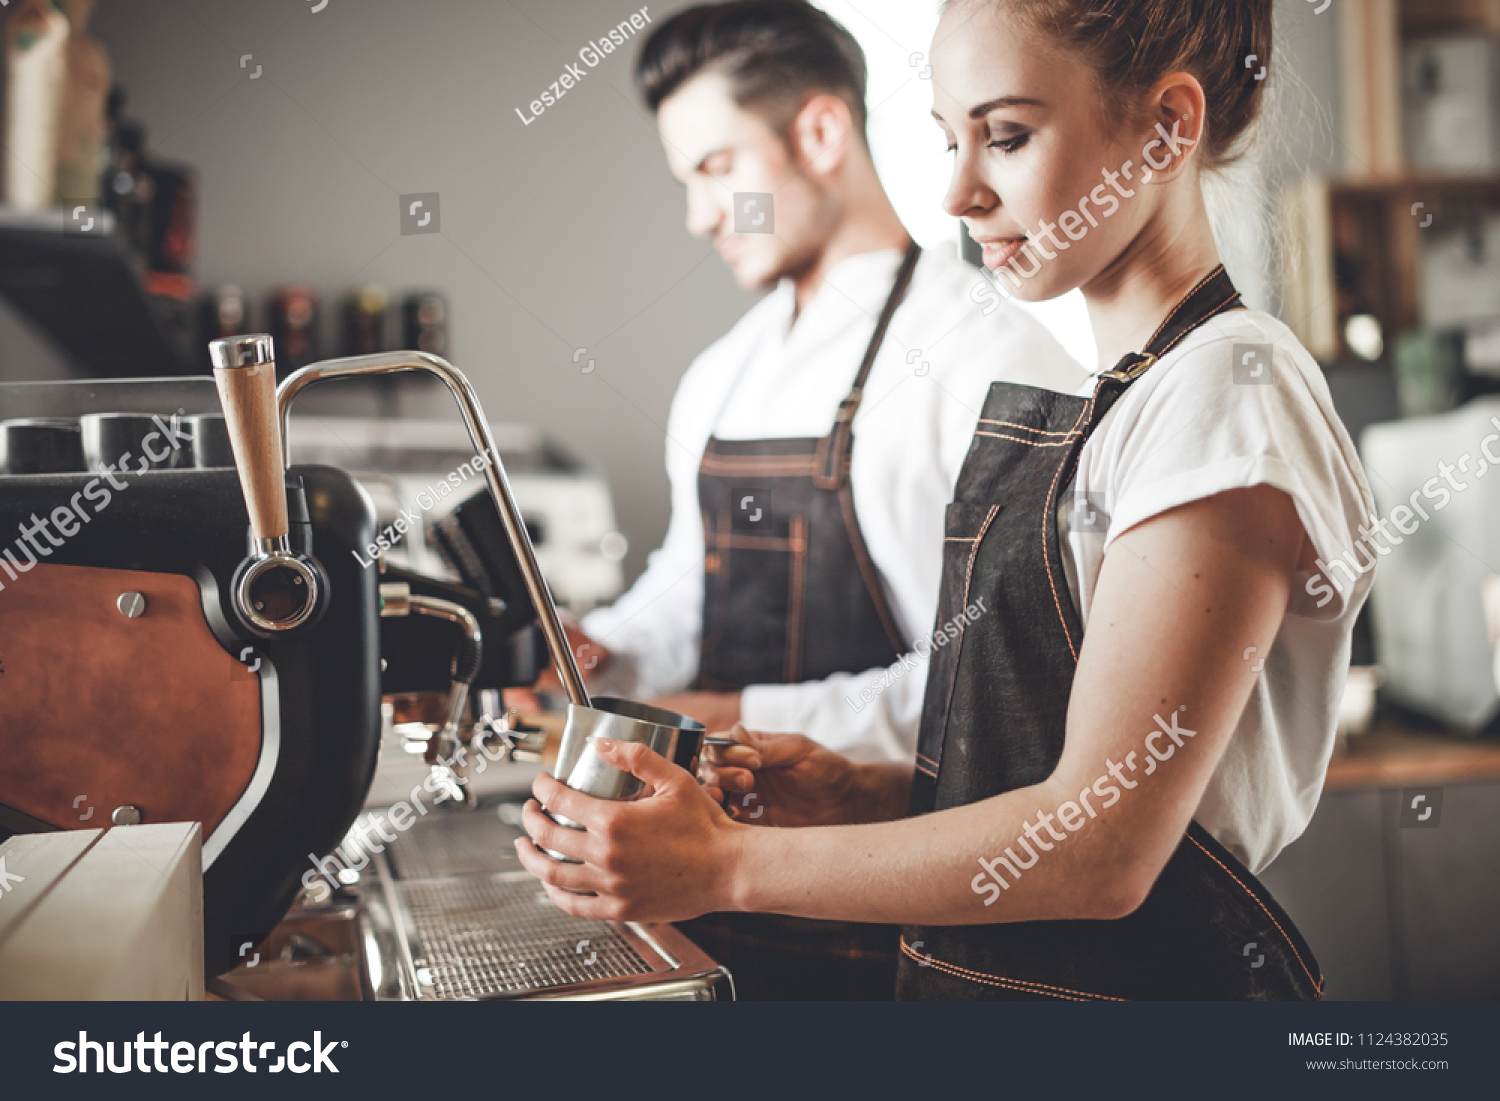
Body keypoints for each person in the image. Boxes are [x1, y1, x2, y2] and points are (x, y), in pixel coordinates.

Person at [516, 0, 1378, 1001]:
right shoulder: (1127, 395)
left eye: (1006, 136)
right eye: (947, 139)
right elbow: (1050, 755)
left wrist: (722, 864)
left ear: (1167, 129)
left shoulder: (1229, 390)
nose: (960, 191)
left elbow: (1101, 848)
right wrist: (869, 788)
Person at [519, 1, 1081, 999]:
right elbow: (688, 593)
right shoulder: (721, 375)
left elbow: (982, 699)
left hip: (893, 917)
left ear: (820, 133)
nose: (699, 214)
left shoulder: (986, 361)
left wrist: (709, 718)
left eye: (716, 169)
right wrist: (604, 655)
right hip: (712, 916)